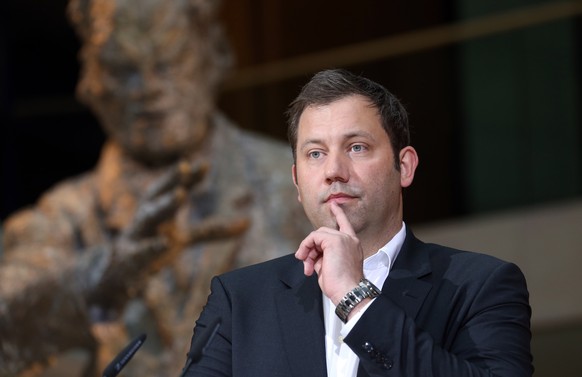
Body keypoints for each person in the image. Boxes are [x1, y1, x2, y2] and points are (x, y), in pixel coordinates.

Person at [0, 0, 310, 376]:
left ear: (214, 56)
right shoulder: (63, 219)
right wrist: (98, 278)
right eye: (122, 69)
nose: (147, 88)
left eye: (168, 61)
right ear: (91, 82)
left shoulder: (300, 186)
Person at [183, 69, 533, 377]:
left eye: (357, 147)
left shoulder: (481, 286)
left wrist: (356, 297)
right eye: (315, 154)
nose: (334, 171)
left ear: (405, 167)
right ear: (296, 181)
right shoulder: (239, 300)